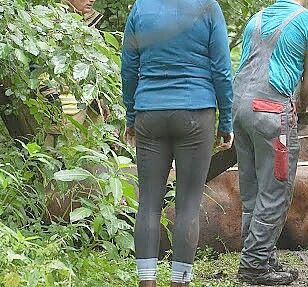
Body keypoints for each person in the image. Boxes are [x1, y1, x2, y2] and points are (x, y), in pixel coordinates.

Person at [120, 0, 234, 286]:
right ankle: (179, 282)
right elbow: (221, 69)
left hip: (150, 113)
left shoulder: (140, 8)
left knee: (148, 204)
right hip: (196, 114)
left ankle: (146, 282)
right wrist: (226, 121)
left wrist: (131, 115)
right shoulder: (208, 7)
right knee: (188, 206)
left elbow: (129, 67)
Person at [233, 0, 308, 285]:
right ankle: (255, 264)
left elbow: (246, 65)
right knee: (276, 190)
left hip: (239, 107)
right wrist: (301, 105)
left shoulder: (257, 18)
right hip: (271, 112)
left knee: (252, 189)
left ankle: (262, 255)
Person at [41, 0, 106, 147]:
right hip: (64, 106)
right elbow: (39, 65)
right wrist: (52, 98)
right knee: (58, 155)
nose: (92, 0)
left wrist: (100, 98)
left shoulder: (91, 25)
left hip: (90, 106)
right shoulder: (52, 21)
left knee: (90, 157)